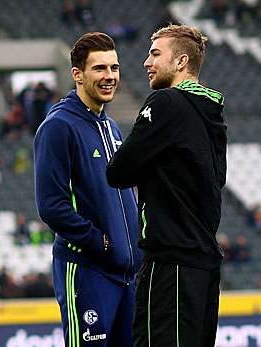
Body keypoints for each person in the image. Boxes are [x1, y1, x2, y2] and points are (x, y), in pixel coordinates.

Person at [106, 24, 227, 347]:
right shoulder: (212, 113)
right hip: (203, 264)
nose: (147, 62)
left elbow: (118, 171)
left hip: (170, 261)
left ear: (181, 62)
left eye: (155, 54)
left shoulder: (165, 103)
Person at [34, 32, 141, 346]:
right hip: (87, 271)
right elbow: (51, 205)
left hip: (126, 274)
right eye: (100, 69)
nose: (109, 76)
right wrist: (101, 242)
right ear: (77, 75)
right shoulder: (58, 126)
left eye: (114, 68)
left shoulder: (111, 126)